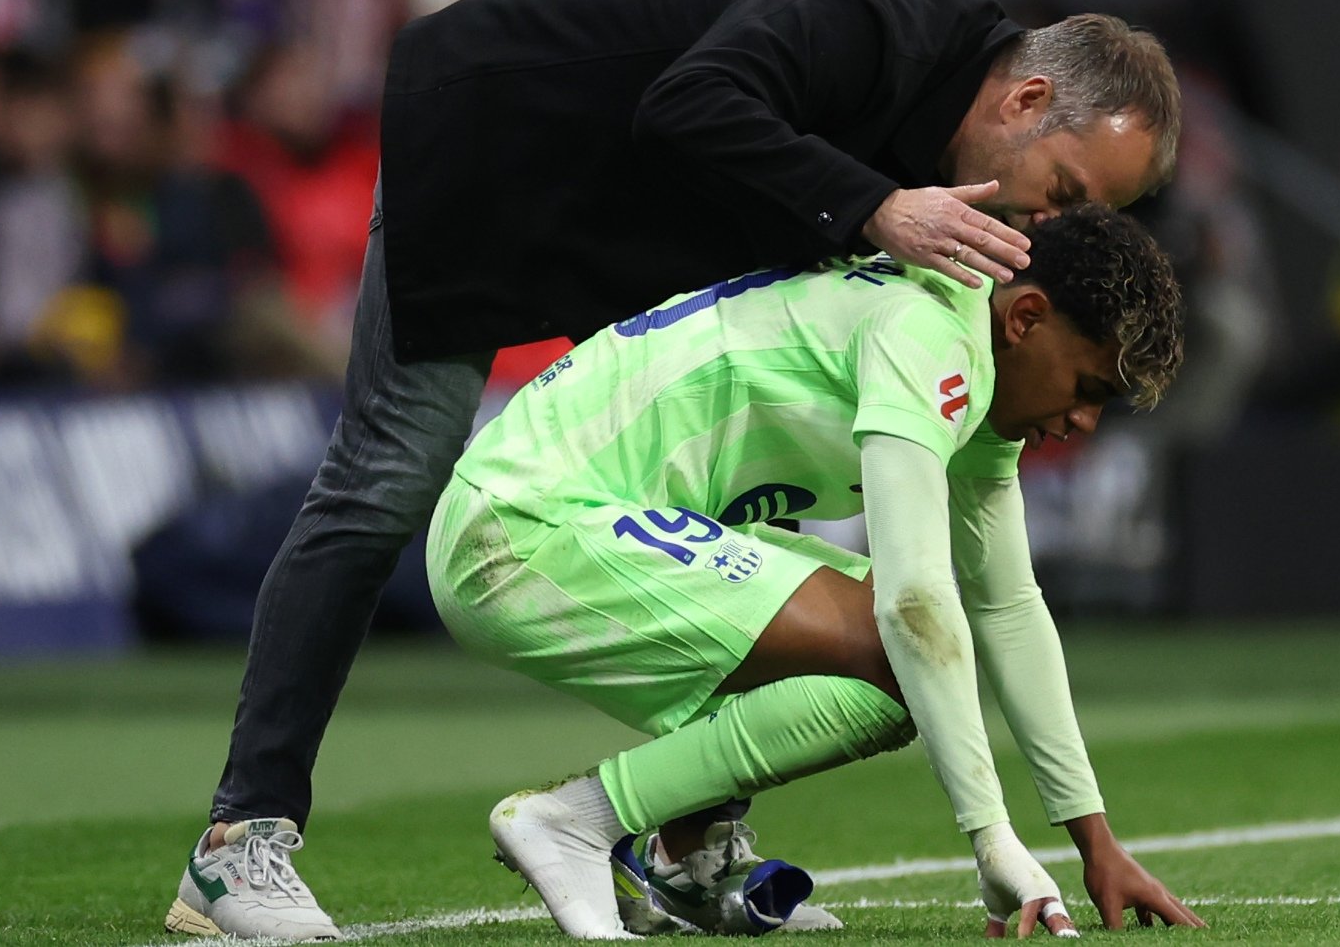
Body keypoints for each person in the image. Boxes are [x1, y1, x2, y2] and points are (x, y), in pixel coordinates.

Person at [169, 0, 1181, 940]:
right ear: (1027, 101)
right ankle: (238, 840)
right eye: (1070, 189)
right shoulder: (864, 21)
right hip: (496, 140)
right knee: (388, 473)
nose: (1057, 224)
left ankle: (687, 845)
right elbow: (688, 102)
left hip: (639, 208)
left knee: (705, 477)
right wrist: (875, 206)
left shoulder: (948, 167)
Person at [430, 203, 1201, 939]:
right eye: (1089, 389)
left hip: (567, 511)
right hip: (519, 526)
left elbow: (1007, 607)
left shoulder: (976, 360)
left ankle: (682, 858)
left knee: (893, 644)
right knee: (892, 651)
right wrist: (991, 837)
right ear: (1025, 319)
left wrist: (1094, 841)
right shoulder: (930, 337)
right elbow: (916, 605)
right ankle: (577, 819)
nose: (1083, 423)